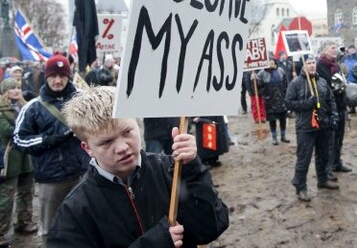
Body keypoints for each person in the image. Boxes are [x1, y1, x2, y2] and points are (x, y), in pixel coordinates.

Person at [47, 86, 229, 247]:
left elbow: (211, 228)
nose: (122, 147)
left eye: (127, 132)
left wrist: (193, 168)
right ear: (88, 149)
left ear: (136, 124)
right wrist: (155, 242)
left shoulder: (171, 170)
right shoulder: (76, 210)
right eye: (106, 142)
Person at [12, 54, 90, 247]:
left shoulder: (83, 100)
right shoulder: (32, 108)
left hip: (83, 173)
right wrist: (47, 140)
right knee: (50, 227)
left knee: (87, 221)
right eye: (53, 75)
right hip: (51, 179)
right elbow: (19, 139)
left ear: (68, 77)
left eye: (62, 76)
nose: (57, 80)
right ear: (46, 77)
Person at [285, 53, 339, 202]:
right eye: (309, 63)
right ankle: (300, 187)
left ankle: (322, 180)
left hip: (323, 125)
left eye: (313, 62)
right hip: (305, 127)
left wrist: (334, 116)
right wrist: (307, 103)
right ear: (303, 66)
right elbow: (288, 103)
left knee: (323, 155)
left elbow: (331, 99)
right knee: (304, 158)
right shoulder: (295, 83)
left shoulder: (322, 81)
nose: (312, 65)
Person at [0, 79, 37, 248]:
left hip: (25, 156)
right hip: (10, 158)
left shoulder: (25, 106)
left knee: (27, 191)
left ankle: (24, 221)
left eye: (18, 87)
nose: (16, 90)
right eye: (12, 88)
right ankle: (1, 231)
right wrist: (23, 125)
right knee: (6, 197)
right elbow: (7, 130)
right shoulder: (1, 109)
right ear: (5, 91)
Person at [317, 41, 352, 174]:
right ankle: (329, 166)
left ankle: (337, 162)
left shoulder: (335, 64)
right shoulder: (320, 65)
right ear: (324, 50)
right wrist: (336, 86)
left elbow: (340, 80)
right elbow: (324, 84)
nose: (335, 50)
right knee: (330, 139)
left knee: (339, 136)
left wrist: (344, 84)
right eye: (332, 48)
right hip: (330, 106)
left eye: (335, 48)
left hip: (341, 104)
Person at [256, 55, 290, 145]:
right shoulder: (262, 73)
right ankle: (274, 138)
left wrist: (286, 95)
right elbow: (258, 87)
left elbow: (285, 83)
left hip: (281, 99)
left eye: (272, 61)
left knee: (283, 119)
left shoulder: (280, 70)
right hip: (270, 101)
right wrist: (255, 79)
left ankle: (283, 136)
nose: (271, 62)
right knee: (272, 120)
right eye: (269, 61)